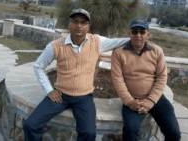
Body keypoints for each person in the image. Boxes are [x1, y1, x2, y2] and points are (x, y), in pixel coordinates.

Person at [23, 8, 130, 141]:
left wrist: (139, 39)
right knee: (30, 124)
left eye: (83, 22)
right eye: (75, 21)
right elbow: (38, 66)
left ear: (88, 26)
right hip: (60, 96)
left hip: (84, 98)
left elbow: (119, 42)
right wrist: (49, 90)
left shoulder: (97, 42)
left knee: (89, 133)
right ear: (69, 24)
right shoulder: (55, 46)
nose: (79, 25)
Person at [111, 17, 181, 141]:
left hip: (156, 99)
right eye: (134, 31)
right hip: (133, 100)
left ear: (148, 34)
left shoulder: (157, 51)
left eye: (142, 32)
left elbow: (161, 77)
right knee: (130, 131)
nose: (138, 35)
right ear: (129, 33)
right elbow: (117, 80)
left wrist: (151, 100)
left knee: (174, 133)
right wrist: (130, 102)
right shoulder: (118, 52)